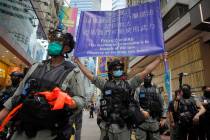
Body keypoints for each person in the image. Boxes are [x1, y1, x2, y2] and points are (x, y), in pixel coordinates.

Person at [0, 29, 85, 140]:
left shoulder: (73, 72)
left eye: (57, 42)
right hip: (22, 129)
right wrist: (2, 115)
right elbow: (17, 95)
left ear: (67, 49)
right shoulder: (36, 67)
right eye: (52, 41)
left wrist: (69, 101)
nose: (52, 44)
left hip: (48, 133)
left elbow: (81, 100)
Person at [74, 53, 167, 140]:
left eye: (120, 69)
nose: (118, 71)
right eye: (115, 69)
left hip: (124, 128)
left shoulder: (129, 84)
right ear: (111, 71)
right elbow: (90, 75)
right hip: (106, 128)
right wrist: (78, 62)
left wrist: (159, 59)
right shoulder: (104, 84)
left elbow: (145, 71)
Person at [134, 73, 166, 140]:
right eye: (146, 76)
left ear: (151, 78)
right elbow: (135, 103)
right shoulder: (138, 89)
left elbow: (162, 104)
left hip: (154, 120)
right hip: (142, 121)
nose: (147, 78)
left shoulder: (156, 90)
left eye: (149, 76)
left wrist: (163, 118)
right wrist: (142, 111)